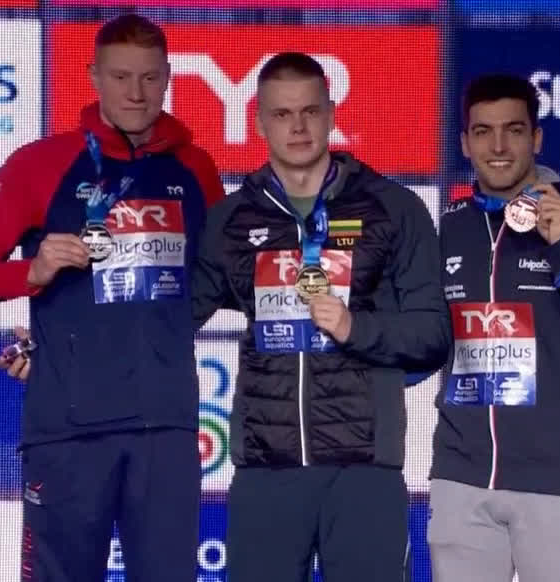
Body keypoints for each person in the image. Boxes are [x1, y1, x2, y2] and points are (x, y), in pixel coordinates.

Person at [0, 14, 224, 582]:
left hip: (163, 430)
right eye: (120, 77)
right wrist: (34, 271)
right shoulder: (40, 164)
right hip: (68, 434)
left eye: (150, 78)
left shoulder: (195, 167)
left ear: (168, 77)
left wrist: (155, 331)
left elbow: (219, 278)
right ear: (93, 77)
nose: (136, 93)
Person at [190, 52, 450, 581]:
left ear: (331, 114)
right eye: (282, 114)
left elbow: (432, 334)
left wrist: (356, 328)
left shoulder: (394, 209)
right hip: (267, 468)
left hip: (363, 469)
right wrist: (58, 346)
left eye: (310, 111)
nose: (298, 126)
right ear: (258, 122)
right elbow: (167, 320)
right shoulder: (231, 220)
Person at [427, 74, 560, 582]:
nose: (498, 147)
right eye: (483, 132)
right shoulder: (448, 227)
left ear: (537, 138)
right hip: (460, 480)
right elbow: (421, 342)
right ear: (465, 143)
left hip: (558, 484)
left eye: (514, 130)